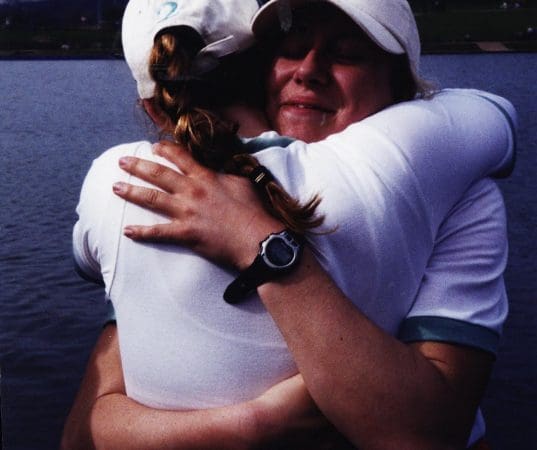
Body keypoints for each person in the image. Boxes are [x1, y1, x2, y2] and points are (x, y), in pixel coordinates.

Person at [63, 0, 517, 448]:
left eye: (346, 54)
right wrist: (255, 424)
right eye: (292, 49)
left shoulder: (461, 193)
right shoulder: (178, 194)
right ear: (258, 69)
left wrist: (258, 242)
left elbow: (431, 433)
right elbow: (84, 430)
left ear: (400, 88)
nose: (308, 71)